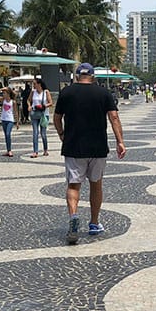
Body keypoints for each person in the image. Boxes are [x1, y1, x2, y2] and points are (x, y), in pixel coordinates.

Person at [54, 62, 127, 245]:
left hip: (73, 146)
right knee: (96, 184)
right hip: (98, 146)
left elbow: (56, 118)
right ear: (93, 76)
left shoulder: (66, 93)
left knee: (73, 185)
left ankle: (73, 217)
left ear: (77, 76)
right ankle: (94, 223)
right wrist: (120, 141)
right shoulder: (103, 93)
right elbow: (114, 117)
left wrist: (62, 134)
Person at [28, 77, 53, 157]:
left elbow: (51, 102)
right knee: (35, 133)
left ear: (39, 84)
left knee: (43, 134)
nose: (34, 85)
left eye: (35, 84)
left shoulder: (46, 92)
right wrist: (29, 106)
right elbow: (28, 100)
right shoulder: (33, 92)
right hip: (34, 114)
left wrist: (44, 106)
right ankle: (35, 151)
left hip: (43, 114)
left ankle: (45, 149)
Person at [0, 86, 16, 157]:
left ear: (8, 94)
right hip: (3, 119)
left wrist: (17, 122)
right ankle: (8, 150)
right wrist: (0, 90)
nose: (3, 94)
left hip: (10, 120)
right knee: (6, 135)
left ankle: (10, 151)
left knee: (8, 134)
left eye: (4, 93)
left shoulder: (13, 102)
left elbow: (16, 112)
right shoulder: (3, 100)